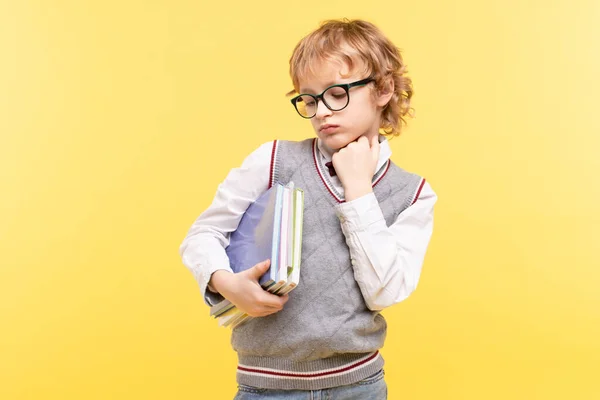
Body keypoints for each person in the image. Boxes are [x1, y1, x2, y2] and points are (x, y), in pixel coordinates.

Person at [179, 18, 437, 399]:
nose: (321, 112)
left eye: (336, 94)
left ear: (382, 88)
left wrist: (359, 190)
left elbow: (384, 293)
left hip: (358, 387)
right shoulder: (273, 161)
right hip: (264, 387)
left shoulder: (413, 194)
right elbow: (203, 235)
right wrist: (226, 283)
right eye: (310, 99)